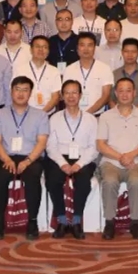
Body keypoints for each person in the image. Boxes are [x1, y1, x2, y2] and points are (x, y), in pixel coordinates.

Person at [0, 76, 49, 240]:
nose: (21, 94)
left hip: (31, 157)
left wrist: (28, 161)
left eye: (25, 90)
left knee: (32, 178)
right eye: (17, 89)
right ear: (11, 91)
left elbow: (42, 142)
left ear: (30, 93)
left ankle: (32, 222)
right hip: (6, 156)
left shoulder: (40, 115)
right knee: (0, 179)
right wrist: (7, 160)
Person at [97, 78, 138, 240]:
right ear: (115, 93)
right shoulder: (105, 116)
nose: (125, 94)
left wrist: (131, 155)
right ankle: (109, 222)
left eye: (128, 90)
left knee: (136, 181)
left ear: (134, 93)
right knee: (109, 181)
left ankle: (135, 222)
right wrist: (121, 157)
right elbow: (101, 144)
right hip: (111, 162)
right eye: (121, 91)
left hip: (137, 162)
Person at [45, 80, 98, 240]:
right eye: (67, 93)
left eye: (74, 92)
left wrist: (79, 164)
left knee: (83, 182)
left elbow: (94, 147)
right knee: (53, 180)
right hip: (60, 157)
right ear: (62, 96)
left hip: (83, 158)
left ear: (80, 95)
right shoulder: (54, 118)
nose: (71, 96)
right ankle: (61, 221)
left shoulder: (91, 119)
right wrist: (63, 163)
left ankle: (76, 221)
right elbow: (51, 146)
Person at [64, 33, 113, 115]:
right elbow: (65, 94)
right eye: (82, 45)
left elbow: (106, 95)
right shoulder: (69, 70)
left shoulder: (105, 68)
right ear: (77, 48)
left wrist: (87, 114)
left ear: (94, 48)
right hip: (74, 115)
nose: (86, 49)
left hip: (97, 115)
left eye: (90, 45)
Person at [13, 36, 62, 113]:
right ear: (31, 49)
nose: (41, 50)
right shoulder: (20, 70)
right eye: (37, 46)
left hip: (47, 114)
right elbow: (15, 93)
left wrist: (42, 114)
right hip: (25, 114)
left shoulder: (54, 71)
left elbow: (55, 97)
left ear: (48, 51)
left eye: (44, 47)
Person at [112, 38, 138, 110]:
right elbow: (110, 99)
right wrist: (117, 112)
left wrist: (133, 113)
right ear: (122, 52)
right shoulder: (114, 74)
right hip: (118, 114)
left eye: (133, 52)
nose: (130, 55)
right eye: (126, 51)